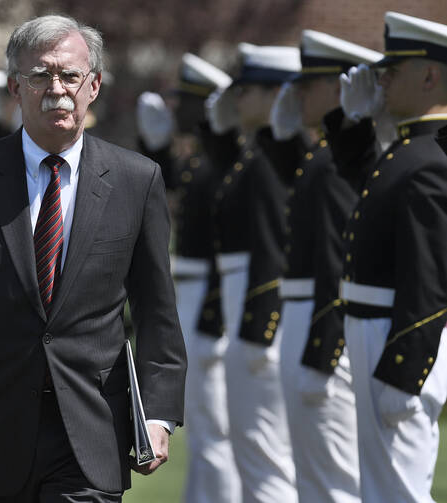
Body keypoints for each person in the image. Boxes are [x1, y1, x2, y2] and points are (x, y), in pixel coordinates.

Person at [0, 14, 187, 502]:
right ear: (13, 87)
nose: (57, 88)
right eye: (40, 75)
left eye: (70, 75)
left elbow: (156, 309)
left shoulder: (137, 180)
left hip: (91, 431)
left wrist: (158, 411)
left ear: (95, 85)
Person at [336, 11, 447, 503]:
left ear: (430, 76)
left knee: (398, 491)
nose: (381, 82)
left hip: (395, 337)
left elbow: (429, 277)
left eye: (392, 71)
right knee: (380, 488)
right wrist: (353, 123)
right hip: (375, 328)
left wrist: (406, 370)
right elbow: (357, 182)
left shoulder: (430, 160)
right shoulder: (408, 151)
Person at [266, 31, 382, 503]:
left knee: (333, 485)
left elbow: (338, 261)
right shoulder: (322, 157)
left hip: (321, 330)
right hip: (305, 317)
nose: (296, 93)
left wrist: (323, 354)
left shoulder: (333, 164)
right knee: (316, 480)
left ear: (338, 88)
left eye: (307, 84)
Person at [136, 53, 241, 503]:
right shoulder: (199, 159)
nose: (174, 107)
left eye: (184, 101)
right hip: (193, 290)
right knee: (200, 421)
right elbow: (162, 189)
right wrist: (155, 148)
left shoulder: (230, 160)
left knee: (217, 424)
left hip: (214, 295)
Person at [213, 43, 300, 503]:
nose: (238, 99)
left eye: (247, 90)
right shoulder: (257, 158)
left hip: (262, 330)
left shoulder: (267, 166)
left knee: (265, 462)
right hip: (252, 321)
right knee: (256, 459)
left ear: (276, 95)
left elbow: (271, 254)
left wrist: (259, 334)